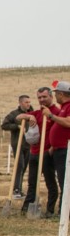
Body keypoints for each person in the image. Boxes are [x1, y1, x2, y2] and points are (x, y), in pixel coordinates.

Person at [18, 87, 59, 216]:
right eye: (39, 97)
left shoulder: (55, 112)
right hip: (34, 152)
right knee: (32, 183)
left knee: (50, 183)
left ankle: (50, 210)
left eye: (44, 97)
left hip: (47, 153)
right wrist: (29, 115)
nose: (42, 100)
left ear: (51, 97)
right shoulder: (36, 113)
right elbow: (19, 117)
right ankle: (26, 209)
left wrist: (52, 148)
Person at [40, 81, 70, 215]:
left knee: (66, 182)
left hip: (65, 150)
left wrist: (51, 116)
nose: (55, 96)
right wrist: (53, 145)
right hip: (59, 149)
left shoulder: (68, 106)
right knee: (63, 181)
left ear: (61, 94)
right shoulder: (64, 107)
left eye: (56, 93)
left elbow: (68, 123)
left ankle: (65, 212)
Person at [1, 95, 33, 199]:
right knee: (20, 165)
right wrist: (17, 126)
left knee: (24, 167)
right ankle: (16, 190)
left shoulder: (31, 114)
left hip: (29, 144)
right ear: (20, 103)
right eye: (26, 102)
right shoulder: (14, 114)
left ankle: (19, 188)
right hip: (18, 143)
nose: (28, 104)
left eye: (29, 102)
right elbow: (4, 125)